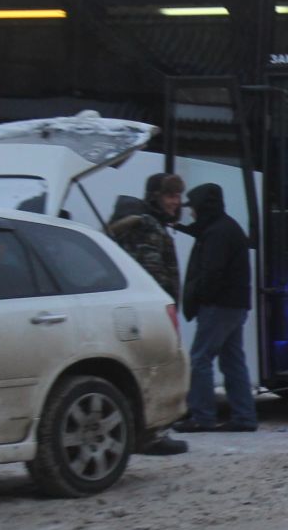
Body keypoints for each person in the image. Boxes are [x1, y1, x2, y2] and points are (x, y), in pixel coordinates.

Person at [105, 172, 189, 455]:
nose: (175, 203)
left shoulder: (132, 225)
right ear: (155, 196)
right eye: (170, 196)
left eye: (178, 197)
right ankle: (153, 434)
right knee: (156, 370)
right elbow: (154, 272)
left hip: (131, 310)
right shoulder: (149, 227)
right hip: (150, 312)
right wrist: (165, 306)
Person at [177, 183, 258, 434]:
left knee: (200, 358)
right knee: (233, 360)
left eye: (193, 208)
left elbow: (212, 272)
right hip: (235, 305)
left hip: (218, 305)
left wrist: (201, 297)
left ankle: (202, 416)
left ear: (203, 207)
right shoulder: (226, 227)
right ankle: (244, 416)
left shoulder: (216, 233)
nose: (191, 213)